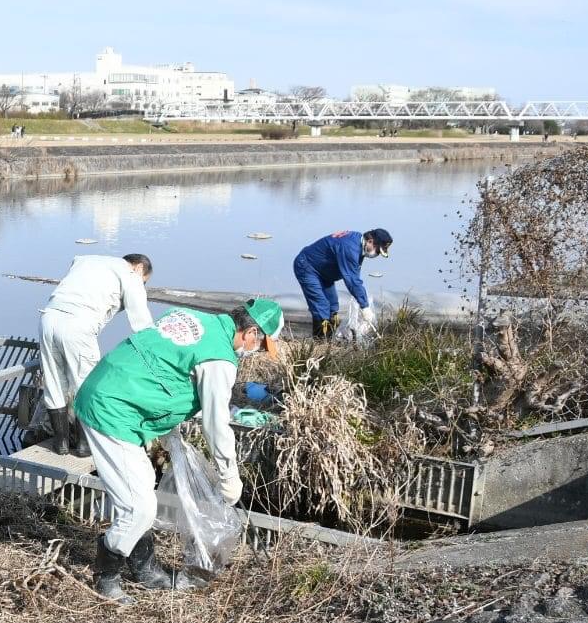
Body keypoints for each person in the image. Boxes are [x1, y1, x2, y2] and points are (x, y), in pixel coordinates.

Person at [73, 299, 284, 604]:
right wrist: (229, 477)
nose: (258, 352)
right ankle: (106, 578)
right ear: (252, 332)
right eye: (262, 346)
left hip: (114, 388)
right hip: (111, 410)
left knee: (142, 484)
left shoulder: (197, 318)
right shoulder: (220, 359)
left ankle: (146, 569)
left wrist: (170, 422)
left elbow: (162, 362)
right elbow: (216, 425)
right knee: (139, 507)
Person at [38, 254, 154, 457]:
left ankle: (61, 443)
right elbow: (142, 323)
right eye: (144, 281)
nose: (141, 286)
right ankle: (84, 445)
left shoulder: (87, 260)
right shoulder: (130, 274)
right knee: (86, 385)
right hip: (78, 325)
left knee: (54, 381)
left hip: (49, 318)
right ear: (138, 268)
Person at [291, 228, 392, 339]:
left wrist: (360, 298)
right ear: (370, 241)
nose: (376, 254)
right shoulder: (350, 248)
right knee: (322, 306)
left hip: (324, 273)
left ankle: (331, 339)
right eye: (377, 251)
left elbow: (354, 276)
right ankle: (320, 343)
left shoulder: (359, 242)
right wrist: (365, 306)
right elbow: (351, 280)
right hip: (307, 267)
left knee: (333, 306)